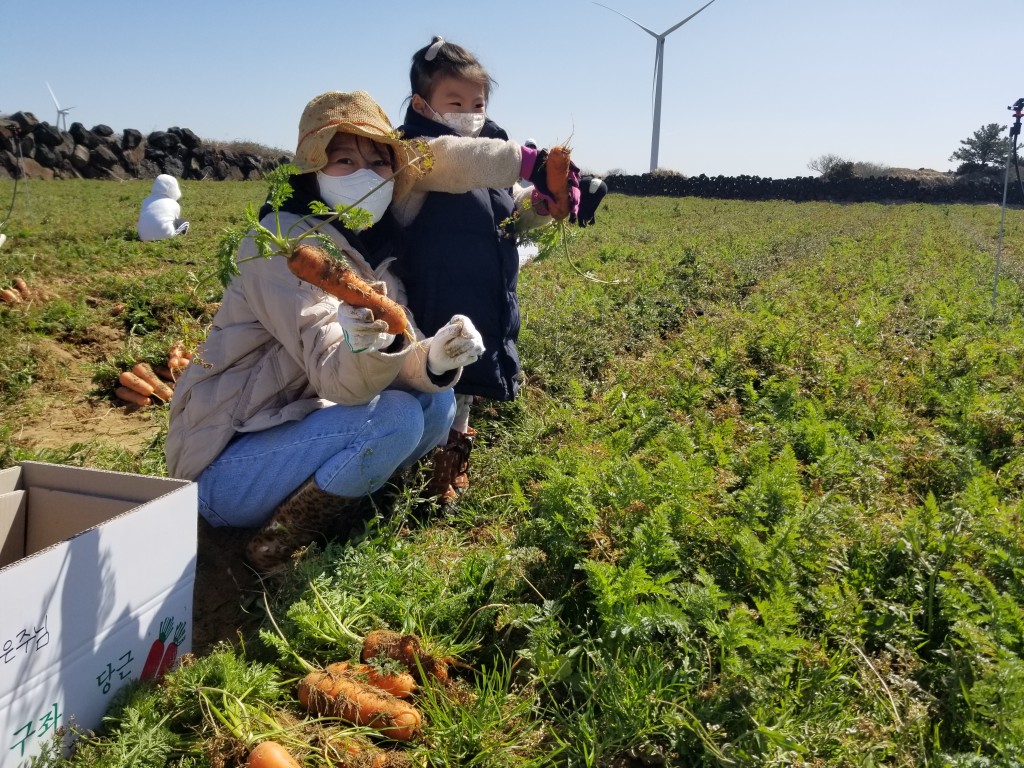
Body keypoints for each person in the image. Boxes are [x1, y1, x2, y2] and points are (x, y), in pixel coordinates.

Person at [165, 90, 564, 574]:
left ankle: (349, 516)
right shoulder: (281, 245)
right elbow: (340, 380)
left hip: (293, 431)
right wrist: (368, 343)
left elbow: (398, 357)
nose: (364, 175)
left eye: (378, 163)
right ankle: (272, 546)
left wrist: (433, 359)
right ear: (310, 170)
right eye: (344, 159)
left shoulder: (378, 256)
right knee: (393, 418)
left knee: (435, 402)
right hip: (224, 468)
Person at [398, 36, 599, 502]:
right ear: (421, 103)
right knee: (429, 379)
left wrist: (542, 205)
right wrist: (526, 160)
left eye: (478, 102)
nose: (471, 111)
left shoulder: (489, 149)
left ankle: (451, 461)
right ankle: (411, 463)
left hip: (481, 286)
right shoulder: (410, 151)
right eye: (456, 101)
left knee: (466, 380)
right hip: (430, 290)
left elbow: (507, 215)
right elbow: (453, 161)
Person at [137, 174, 189, 241]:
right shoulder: (174, 203)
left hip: (143, 237)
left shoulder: (146, 201)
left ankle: (150, 234)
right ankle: (178, 237)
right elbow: (174, 220)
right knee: (184, 222)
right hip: (166, 235)